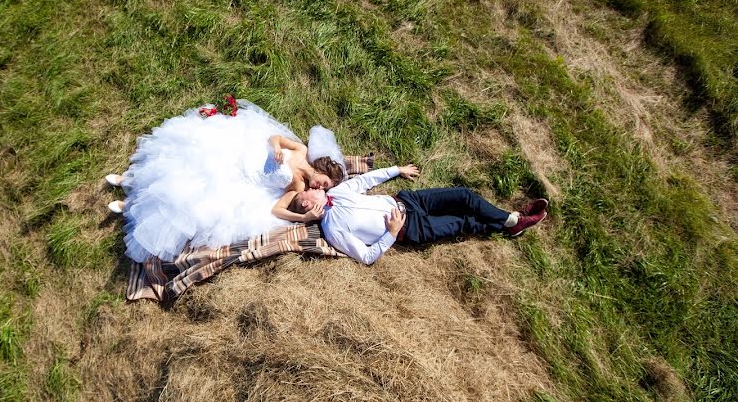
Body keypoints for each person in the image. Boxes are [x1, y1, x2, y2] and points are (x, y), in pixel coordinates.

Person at [105, 100, 345, 263]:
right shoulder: (301, 150)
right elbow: (275, 137)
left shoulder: (298, 188)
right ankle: (131, 180)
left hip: (242, 180)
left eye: (325, 189)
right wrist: (275, 148)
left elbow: (277, 209)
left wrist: (303, 218)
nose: (320, 187)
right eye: (325, 183)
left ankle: (130, 207)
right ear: (323, 169)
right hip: (240, 153)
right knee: (186, 158)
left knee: (191, 195)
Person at [287, 164, 548, 264]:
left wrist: (396, 169)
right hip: (411, 228)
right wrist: (390, 234)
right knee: (465, 221)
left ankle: (509, 219)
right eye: (307, 192)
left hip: (409, 200)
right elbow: (366, 256)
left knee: (464, 196)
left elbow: (365, 180)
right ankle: (512, 224)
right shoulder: (333, 230)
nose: (312, 187)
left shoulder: (339, 193)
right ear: (309, 206)